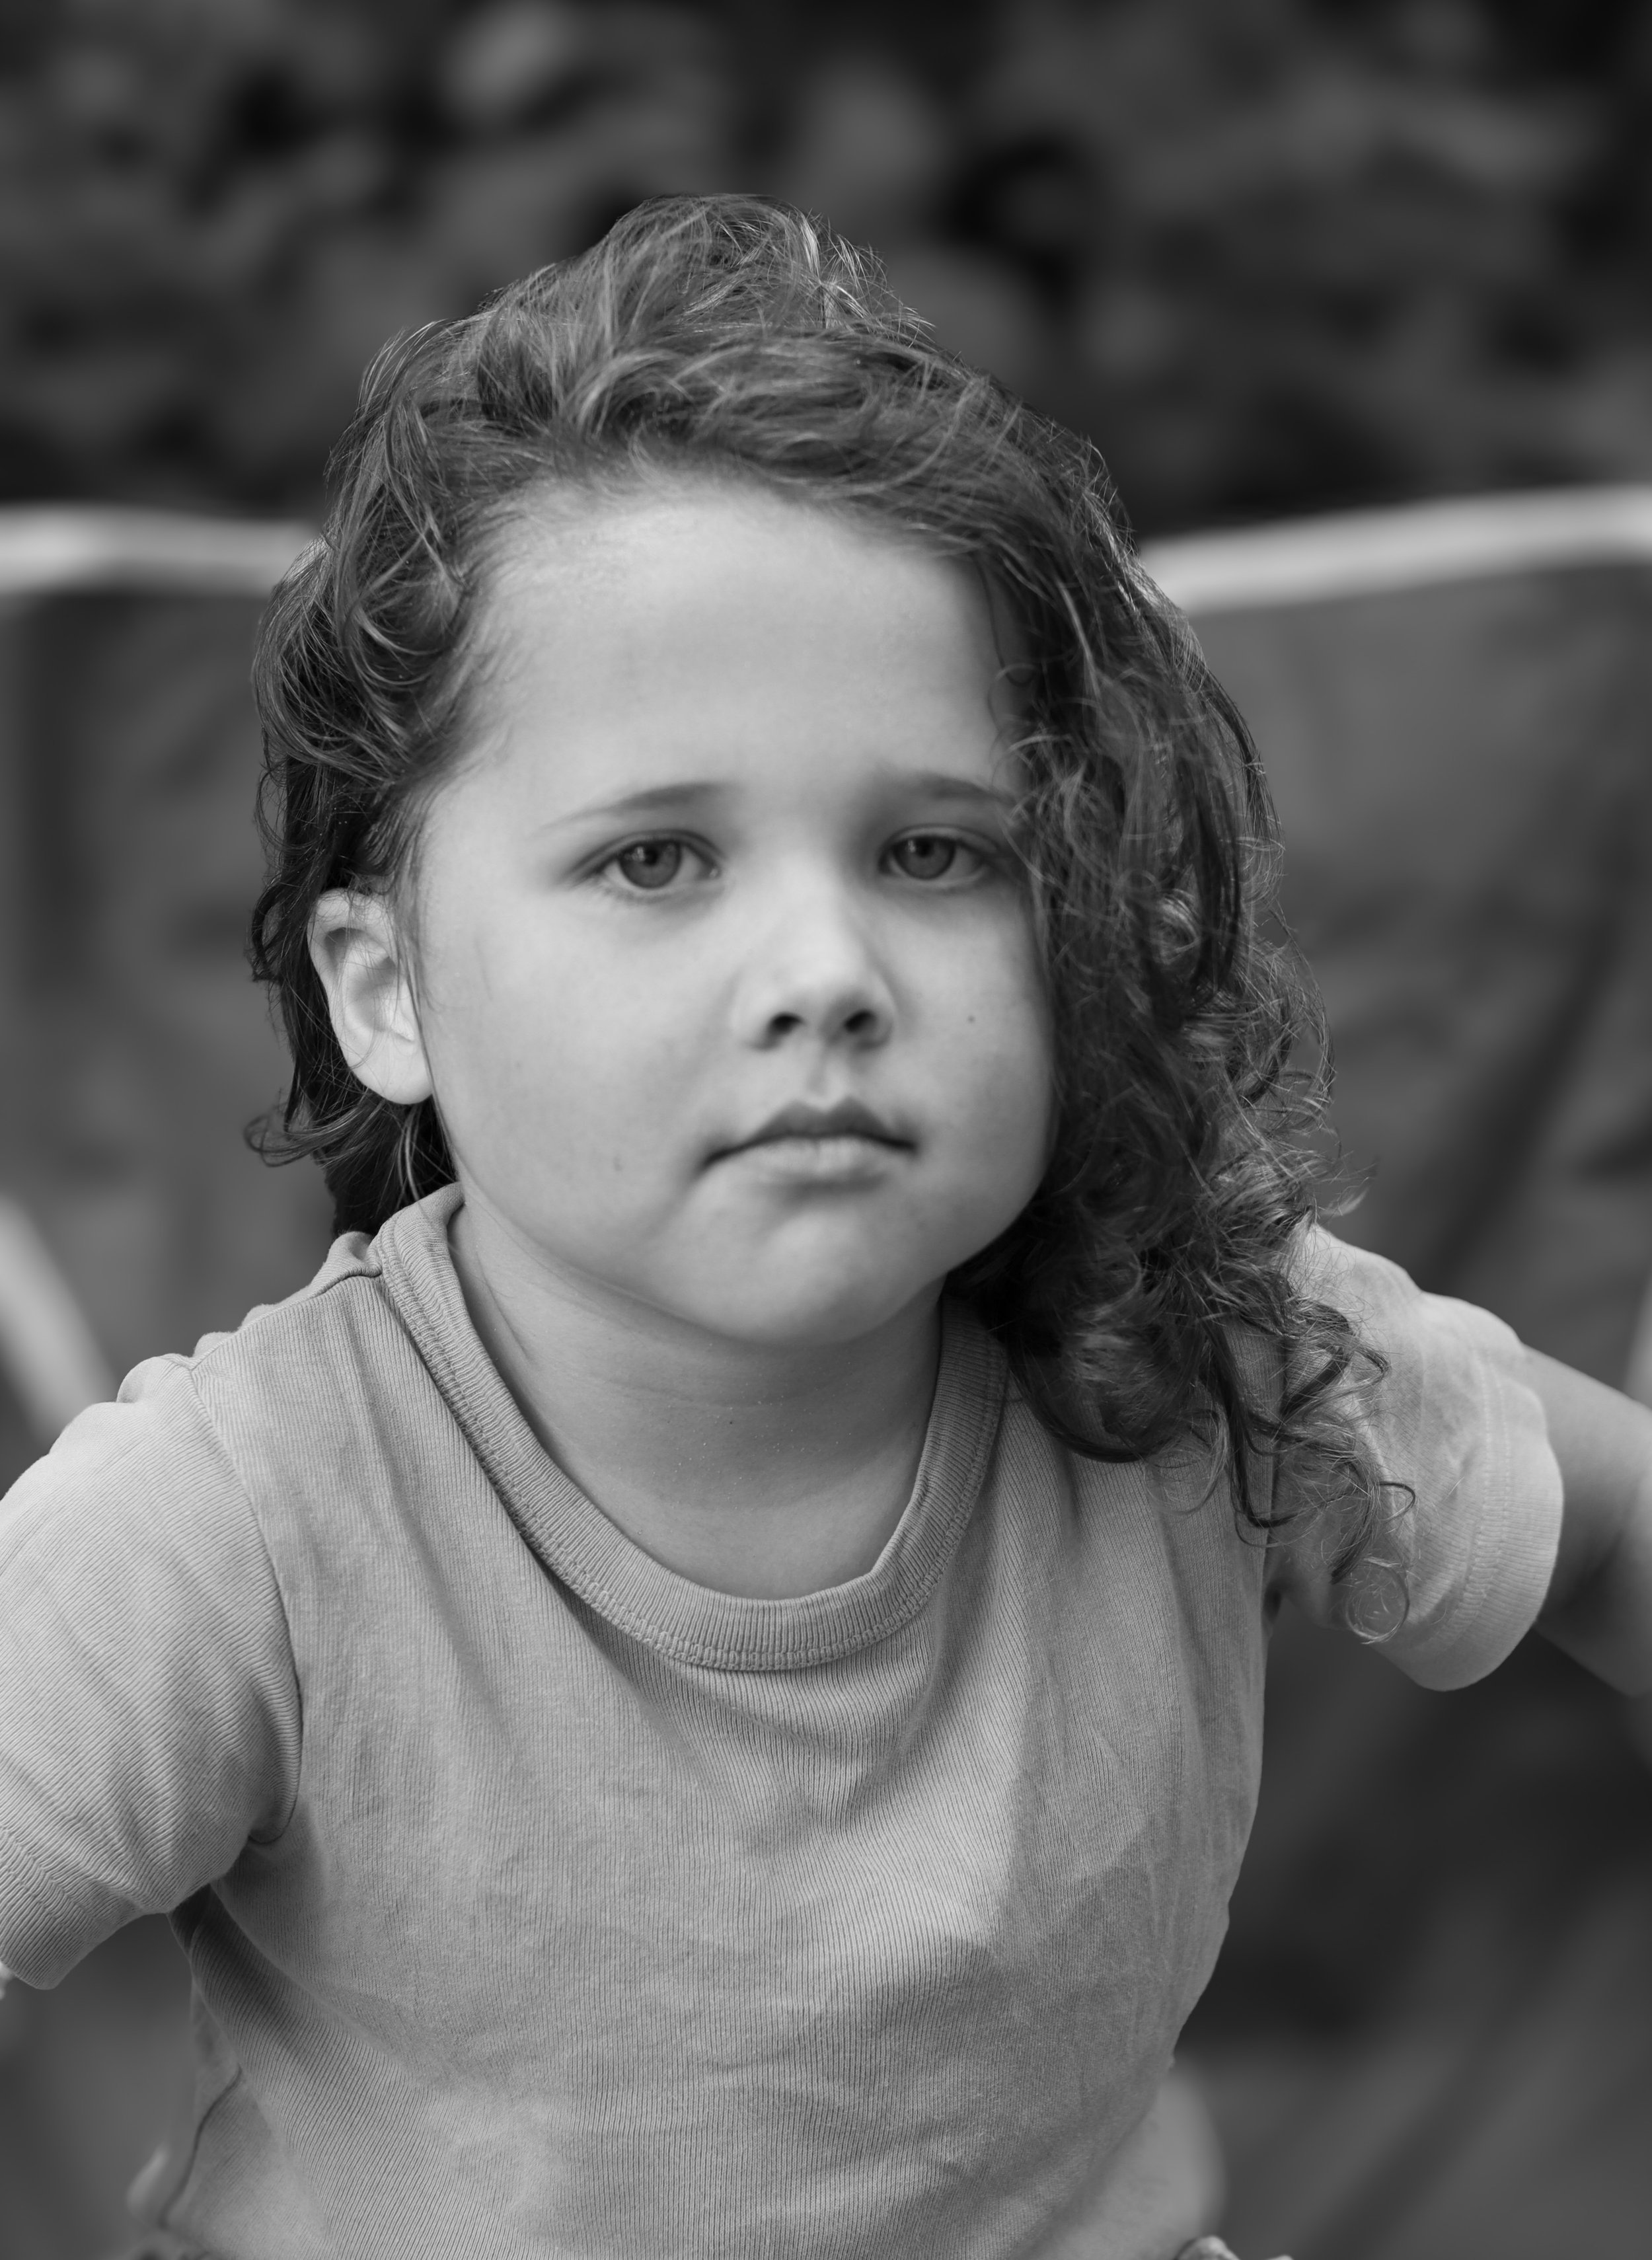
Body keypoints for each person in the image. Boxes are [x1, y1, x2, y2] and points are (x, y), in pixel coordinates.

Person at [0, 197, 1647, 2260]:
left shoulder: (1191, 1340)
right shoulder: (240, 1518)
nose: (825, 963)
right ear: (384, 986)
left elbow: (1596, 1522)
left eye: (932, 849)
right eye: (658, 856)